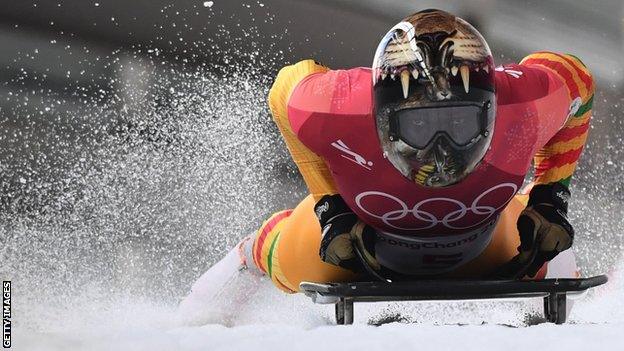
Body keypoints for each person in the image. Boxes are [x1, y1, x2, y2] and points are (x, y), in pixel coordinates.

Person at [177, 9, 593, 324]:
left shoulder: (525, 101)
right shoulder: (335, 104)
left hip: (481, 233)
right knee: (292, 258)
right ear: (381, 117)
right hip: (373, 236)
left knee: (543, 240)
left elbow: (580, 81)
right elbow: (283, 89)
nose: (439, 149)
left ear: (491, 108)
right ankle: (253, 252)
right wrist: (331, 209)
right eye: (420, 125)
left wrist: (549, 201)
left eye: (460, 122)